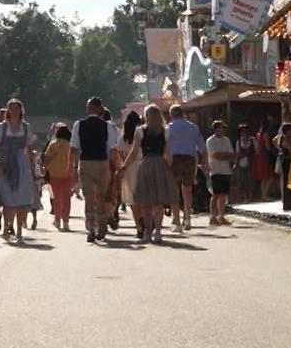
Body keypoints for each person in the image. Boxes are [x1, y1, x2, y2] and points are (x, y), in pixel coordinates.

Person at [124, 105, 175, 243]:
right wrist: (167, 169)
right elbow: (168, 153)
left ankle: (148, 231)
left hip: (146, 164)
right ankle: (158, 231)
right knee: (157, 202)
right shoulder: (165, 131)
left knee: (146, 201)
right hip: (160, 164)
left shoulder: (140, 131)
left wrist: (124, 166)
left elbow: (134, 152)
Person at [0, 99, 40, 240]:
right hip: (5, 163)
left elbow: (28, 148)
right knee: (8, 199)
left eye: (16, 108)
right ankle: (7, 227)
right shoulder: (2, 127)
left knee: (21, 199)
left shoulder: (26, 127)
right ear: (7, 111)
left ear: (21, 111)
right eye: (11, 108)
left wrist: (34, 168)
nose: (13, 111)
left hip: (21, 163)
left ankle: (19, 229)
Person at [71, 96, 116, 242]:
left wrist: (72, 166)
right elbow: (112, 149)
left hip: (85, 162)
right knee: (101, 197)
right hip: (102, 163)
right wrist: (115, 166)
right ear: (101, 109)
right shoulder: (107, 126)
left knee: (89, 198)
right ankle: (102, 227)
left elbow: (74, 147)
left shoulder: (79, 125)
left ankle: (90, 228)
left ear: (88, 108)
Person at [165, 105, 203, 234]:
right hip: (189, 159)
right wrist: (205, 162)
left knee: (174, 190)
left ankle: (177, 222)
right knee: (187, 189)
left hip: (174, 159)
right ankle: (187, 218)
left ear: (172, 115)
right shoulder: (193, 127)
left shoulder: (169, 128)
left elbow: (165, 146)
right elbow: (201, 146)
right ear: (182, 114)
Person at [42, 122, 74, 230]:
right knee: (66, 198)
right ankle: (66, 222)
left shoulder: (52, 144)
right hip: (68, 173)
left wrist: (46, 170)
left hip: (55, 174)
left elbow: (46, 158)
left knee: (57, 198)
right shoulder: (71, 145)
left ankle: (57, 220)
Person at [204, 121, 236, 226]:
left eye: (223, 128)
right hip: (215, 170)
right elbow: (216, 155)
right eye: (221, 128)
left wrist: (225, 155)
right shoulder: (210, 141)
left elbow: (231, 154)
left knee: (223, 194)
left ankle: (221, 216)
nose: (223, 130)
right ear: (216, 129)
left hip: (226, 170)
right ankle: (213, 217)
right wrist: (225, 155)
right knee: (216, 194)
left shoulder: (226, 140)